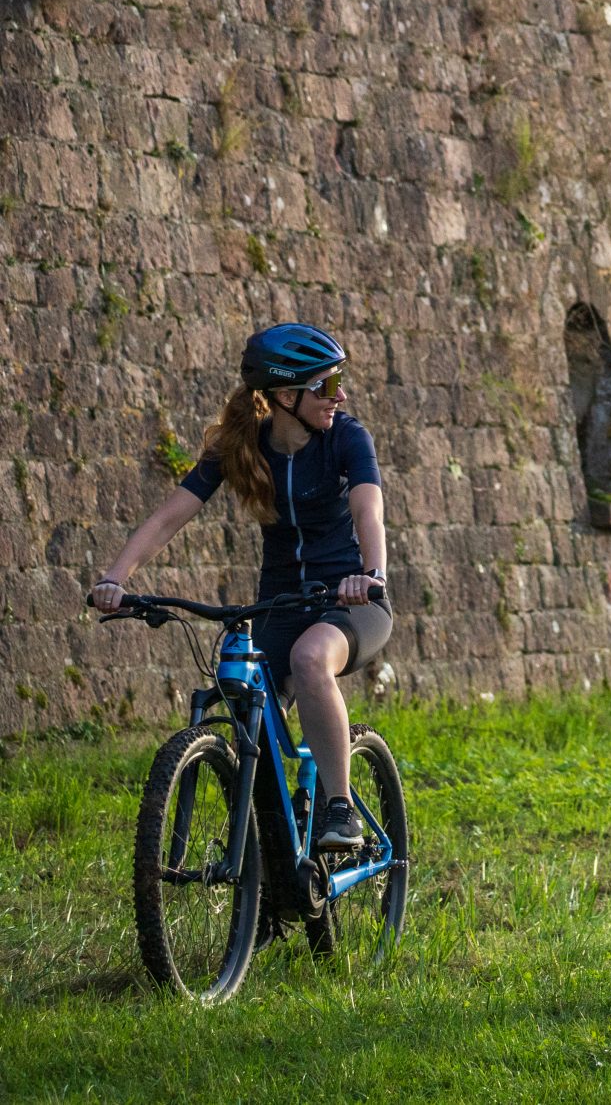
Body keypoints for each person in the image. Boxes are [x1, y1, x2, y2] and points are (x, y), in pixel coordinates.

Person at [89, 324, 391, 853]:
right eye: (326, 385)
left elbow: (369, 509)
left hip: (350, 601)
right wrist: (117, 577)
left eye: (338, 381)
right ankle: (275, 856)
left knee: (310, 657)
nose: (338, 395)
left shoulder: (347, 437)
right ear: (284, 396)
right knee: (245, 696)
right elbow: (170, 516)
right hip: (280, 602)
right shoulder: (243, 444)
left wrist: (372, 574)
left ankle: (339, 808)